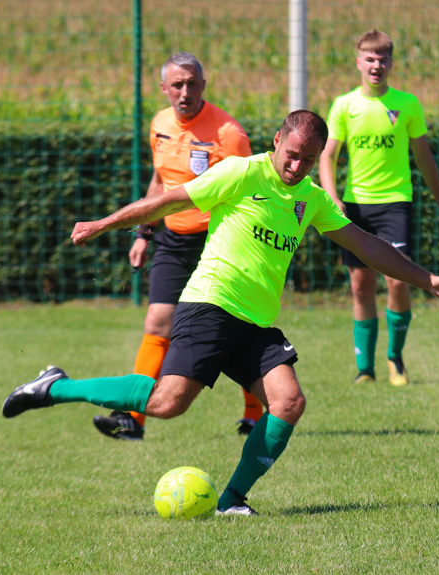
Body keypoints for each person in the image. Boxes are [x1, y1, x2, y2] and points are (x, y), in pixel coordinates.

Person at [1, 110, 439, 515]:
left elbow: (367, 246)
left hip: (255, 323)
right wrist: (105, 224)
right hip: (211, 304)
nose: (297, 165)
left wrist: (428, 280)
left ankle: (231, 500)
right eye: (292, 153)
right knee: (168, 404)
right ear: (277, 141)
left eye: (309, 159)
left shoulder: (311, 197)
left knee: (288, 403)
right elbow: (169, 200)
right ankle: (54, 387)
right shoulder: (243, 173)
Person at [91, 52, 262, 441]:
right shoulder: (160, 123)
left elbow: (252, 194)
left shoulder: (229, 134)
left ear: (204, 85)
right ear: (164, 88)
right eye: (177, 85)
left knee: (239, 325)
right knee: (156, 324)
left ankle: (253, 414)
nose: (185, 92)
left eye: (193, 84)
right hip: (171, 240)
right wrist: (143, 234)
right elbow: (160, 184)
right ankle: (132, 419)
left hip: (220, 242)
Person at [318, 29, 439, 387]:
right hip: (356, 206)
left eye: (383, 59)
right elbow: (328, 156)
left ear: (391, 63)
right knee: (361, 286)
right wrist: (333, 197)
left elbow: (424, 158)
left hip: (396, 204)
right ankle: (365, 369)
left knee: (398, 281)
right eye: (369, 58)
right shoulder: (344, 105)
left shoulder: (407, 104)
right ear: (358, 63)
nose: (376, 65)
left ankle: (395, 358)